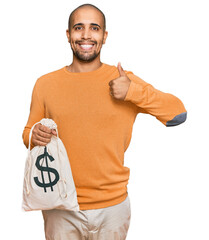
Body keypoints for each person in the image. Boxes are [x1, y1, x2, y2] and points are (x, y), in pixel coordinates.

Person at [22, 3, 187, 240]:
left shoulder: (123, 81)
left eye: (94, 28)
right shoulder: (45, 83)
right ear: (68, 35)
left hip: (113, 207)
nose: (86, 35)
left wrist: (133, 92)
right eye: (79, 28)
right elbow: (28, 132)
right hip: (60, 205)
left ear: (104, 36)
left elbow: (177, 113)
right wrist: (34, 134)